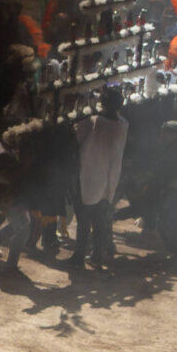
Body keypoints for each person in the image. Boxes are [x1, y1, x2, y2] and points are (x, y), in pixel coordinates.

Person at [69, 85, 129, 268]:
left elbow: (76, 136)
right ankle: (97, 254)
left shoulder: (94, 122)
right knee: (100, 219)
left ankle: (79, 256)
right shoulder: (123, 124)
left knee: (84, 218)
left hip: (89, 174)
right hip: (109, 177)